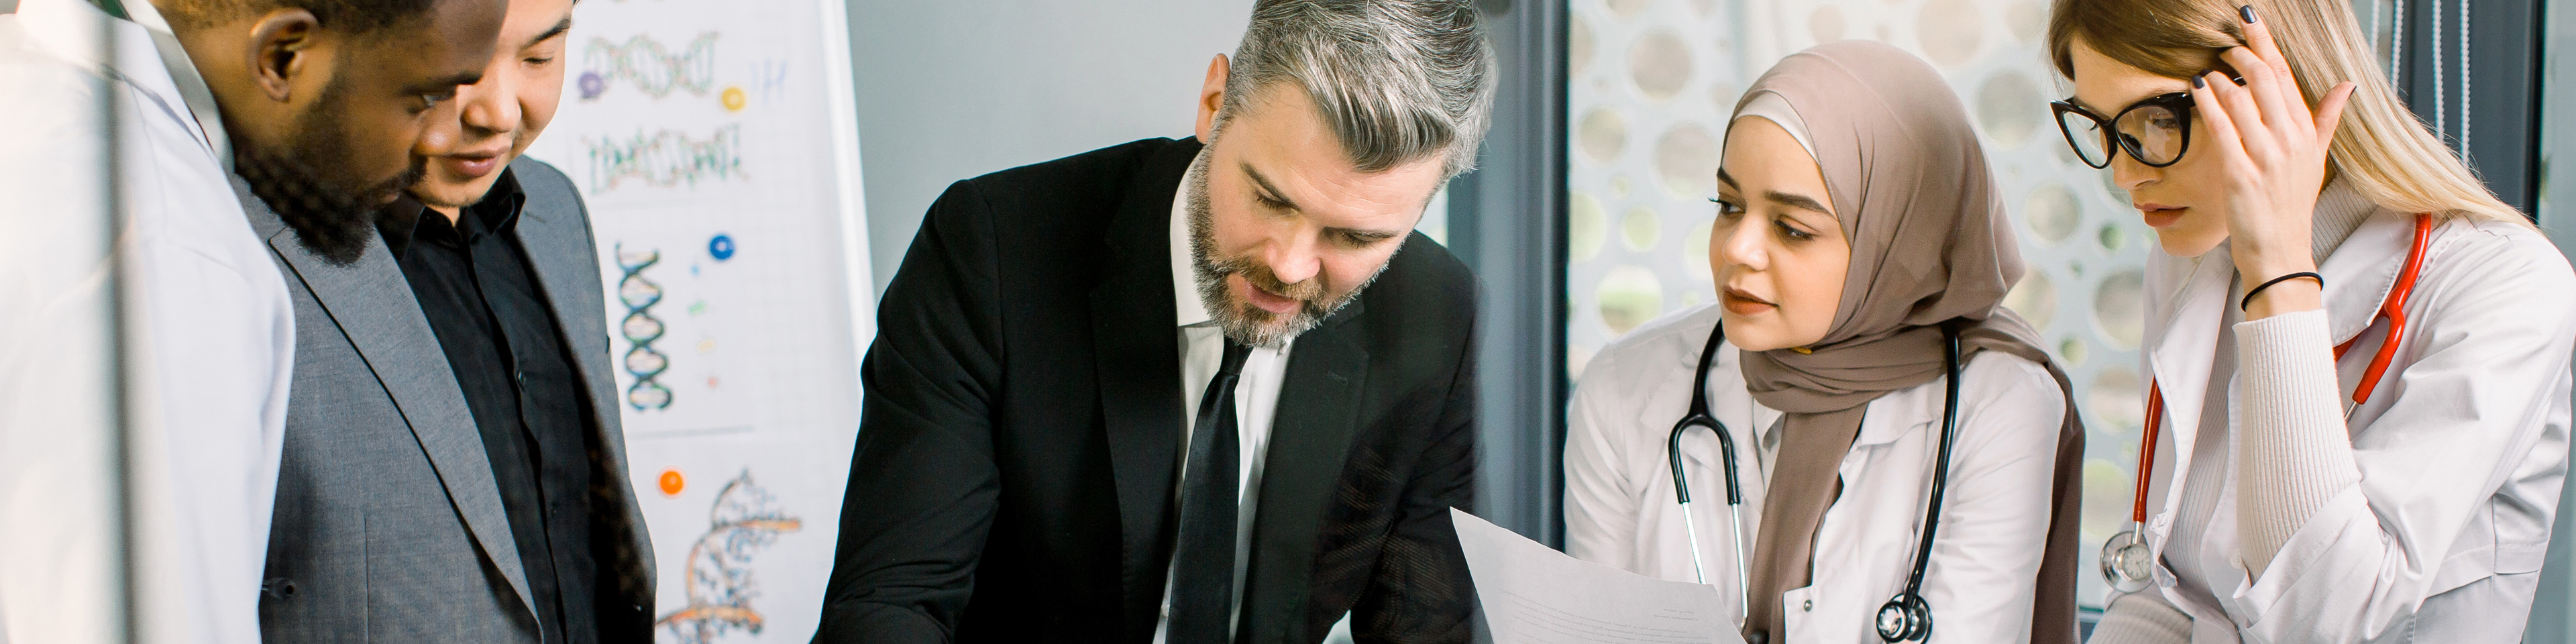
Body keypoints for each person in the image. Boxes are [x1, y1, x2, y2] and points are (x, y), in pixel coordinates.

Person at [812, 1, 1493, 642]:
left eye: (1352, 239)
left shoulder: (1436, 315)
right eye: (1268, 198)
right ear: (1214, 102)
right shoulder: (988, 253)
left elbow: (1425, 626)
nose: (1289, 265)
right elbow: (890, 605)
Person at [2046, 0, 2576, 640]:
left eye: (2159, 119)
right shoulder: (2196, 254)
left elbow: (2323, 618)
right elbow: (2178, 590)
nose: (2126, 173)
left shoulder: (2504, 284)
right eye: (2098, 124)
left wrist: (2278, 273)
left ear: (2285, 90)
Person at [0, 0, 499, 640]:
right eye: (421, 97)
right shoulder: (168, 249)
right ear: (284, 55)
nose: (435, 141)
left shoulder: (31, 87)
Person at [1562, 42, 2084, 644]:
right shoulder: (1625, 386)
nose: (1737, 250)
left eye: (1793, 228)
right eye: (1728, 206)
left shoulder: (2001, 405)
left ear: (1898, 244)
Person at [249, 0, 662, 641]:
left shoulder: (553, 210)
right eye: (457, 66)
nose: (498, 112)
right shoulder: (230, 244)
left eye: (539, 58)